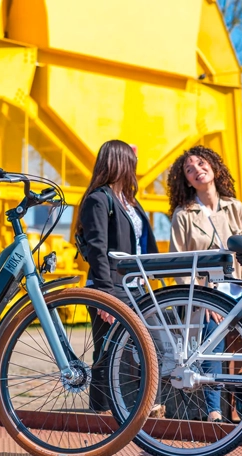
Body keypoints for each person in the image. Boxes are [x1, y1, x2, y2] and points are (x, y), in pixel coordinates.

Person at [168, 145, 242, 422]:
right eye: (189, 169)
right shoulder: (183, 215)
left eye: (201, 163)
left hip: (240, 289)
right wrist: (201, 298)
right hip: (208, 293)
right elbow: (180, 265)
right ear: (186, 180)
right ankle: (213, 407)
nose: (197, 170)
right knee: (212, 328)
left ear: (213, 167)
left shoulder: (234, 207)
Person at [77, 140, 159, 414]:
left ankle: (125, 407)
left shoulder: (131, 203)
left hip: (135, 285)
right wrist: (105, 295)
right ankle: (102, 411)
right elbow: (97, 248)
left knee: (143, 346)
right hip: (110, 284)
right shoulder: (98, 199)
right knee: (108, 351)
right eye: (132, 161)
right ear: (120, 162)